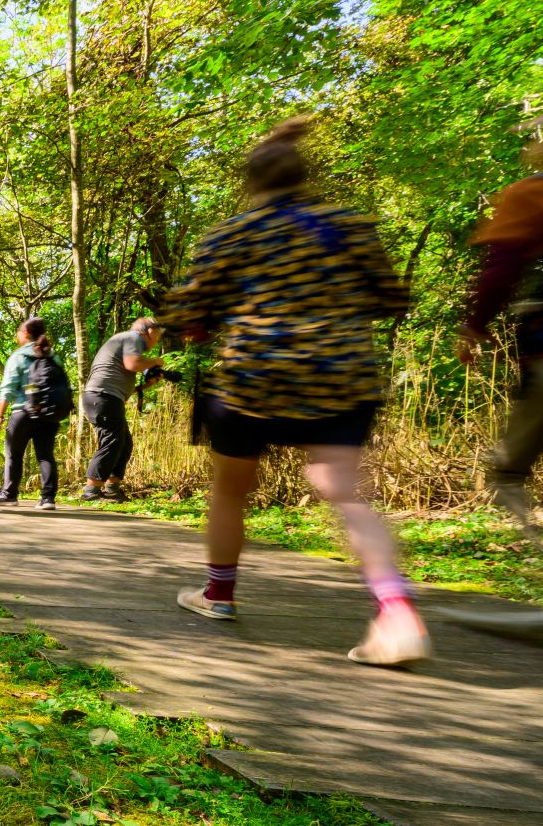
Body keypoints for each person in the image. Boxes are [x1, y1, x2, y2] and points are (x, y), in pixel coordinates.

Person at [163, 117, 427, 667]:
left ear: (251, 182)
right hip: (342, 376)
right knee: (346, 491)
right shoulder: (348, 225)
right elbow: (391, 297)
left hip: (251, 381)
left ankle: (219, 594)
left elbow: (186, 313)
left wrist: (203, 321)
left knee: (231, 490)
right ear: (305, 175)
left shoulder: (230, 235)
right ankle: (396, 610)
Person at [462, 120, 543, 531]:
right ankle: (510, 472)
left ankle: (511, 473)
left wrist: (475, 326)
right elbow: (504, 269)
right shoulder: (532, 192)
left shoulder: (531, 192)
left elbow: (503, 268)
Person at [0, 316, 70, 510]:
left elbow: (7, 388)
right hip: (49, 413)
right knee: (45, 455)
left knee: (13, 454)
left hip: (23, 412)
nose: (17, 335)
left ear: (25, 333)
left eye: (18, 332)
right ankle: (48, 498)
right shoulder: (52, 355)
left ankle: (9, 494)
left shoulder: (19, 356)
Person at [80, 317, 167, 501]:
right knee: (112, 440)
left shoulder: (125, 341)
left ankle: (112, 489)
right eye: (158, 336)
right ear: (149, 331)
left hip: (104, 397)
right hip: (102, 396)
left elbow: (124, 377)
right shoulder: (133, 337)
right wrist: (156, 361)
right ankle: (91, 490)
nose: (157, 341)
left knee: (124, 442)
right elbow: (132, 364)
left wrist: (144, 386)